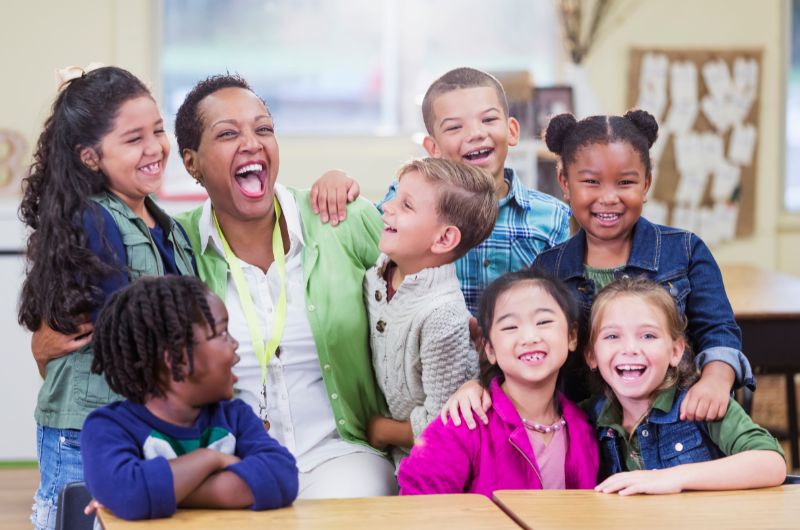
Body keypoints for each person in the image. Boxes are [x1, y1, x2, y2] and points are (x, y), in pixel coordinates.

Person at [440, 109, 754, 429]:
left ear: (646, 185)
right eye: (591, 182)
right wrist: (476, 384)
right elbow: (521, 347)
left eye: (625, 182)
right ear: (565, 183)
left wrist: (716, 378)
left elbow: (718, 331)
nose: (608, 197)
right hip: (582, 438)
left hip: (677, 430)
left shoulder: (685, 251)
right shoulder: (548, 268)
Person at [18, 65, 195, 530]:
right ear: (91, 157)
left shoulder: (170, 228)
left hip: (139, 424)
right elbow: (128, 331)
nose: (155, 146)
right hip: (87, 433)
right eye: (133, 138)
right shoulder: (93, 220)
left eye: (157, 130)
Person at [309, 67, 571, 316]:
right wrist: (337, 180)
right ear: (433, 148)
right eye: (455, 127)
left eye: (489, 119)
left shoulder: (551, 216)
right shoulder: (403, 202)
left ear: (512, 131)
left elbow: (561, 304)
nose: (476, 133)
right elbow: (365, 235)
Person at [81, 276, 298, 520]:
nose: (235, 343)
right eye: (223, 333)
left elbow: (282, 478)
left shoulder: (236, 417)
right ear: (179, 360)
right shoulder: (106, 428)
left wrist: (155, 493)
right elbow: (128, 495)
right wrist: (211, 459)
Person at [397, 269, 598, 497]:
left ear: (571, 336)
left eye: (543, 321)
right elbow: (417, 502)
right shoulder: (467, 423)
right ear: (490, 349)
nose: (530, 337)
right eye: (510, 327)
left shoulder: (585, 429)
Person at [584, 277, 785, 494]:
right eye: (612, 335)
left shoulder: (700, 402)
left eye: (648, 335)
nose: (630, 348)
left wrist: (675, 477)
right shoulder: (588, 416)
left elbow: (772, 463)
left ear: (675, 352)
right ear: (591, 355)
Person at [364, 157, 496, 468]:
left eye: (406, 206)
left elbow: (442, 424)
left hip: (433, 467)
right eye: (395, 196)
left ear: (444, 239)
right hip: (393, 452)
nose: (387, 208)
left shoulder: (442, 315)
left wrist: (382, 432)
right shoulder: (379, 272)